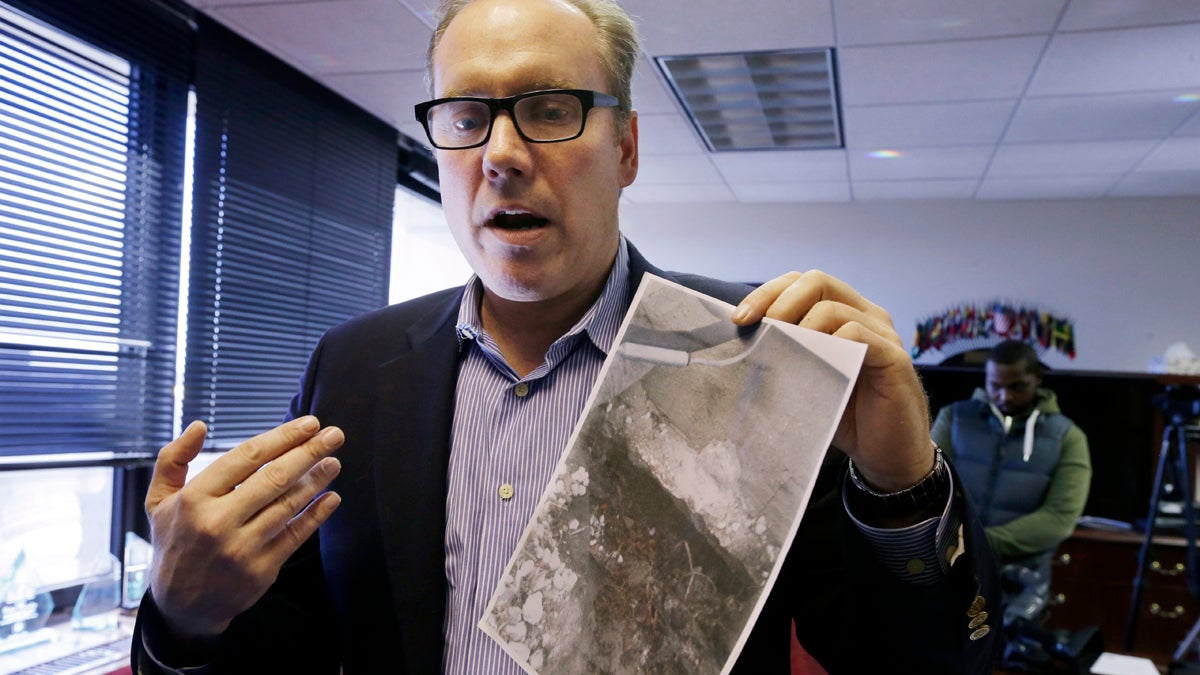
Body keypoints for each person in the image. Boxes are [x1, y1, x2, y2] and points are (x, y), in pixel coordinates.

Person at [132, 0, 1000, 672]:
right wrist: (184, 613)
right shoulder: (353, 368)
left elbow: (921, 662)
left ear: (625, 149)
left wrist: (902, 483)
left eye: (549, 109)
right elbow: (293, 651)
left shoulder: (754, 357)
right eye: (468, 117)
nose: (501, 153)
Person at [931, 339, 1091, 662]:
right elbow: (931, 489)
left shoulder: (1067, 437)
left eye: (1017, 386)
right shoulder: (954, 419)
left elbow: (1060, 517)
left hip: (1022, 583)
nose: (1005, 396)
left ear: (1037, 380)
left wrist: (982, 543)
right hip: (952, 574)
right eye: (996, 386)